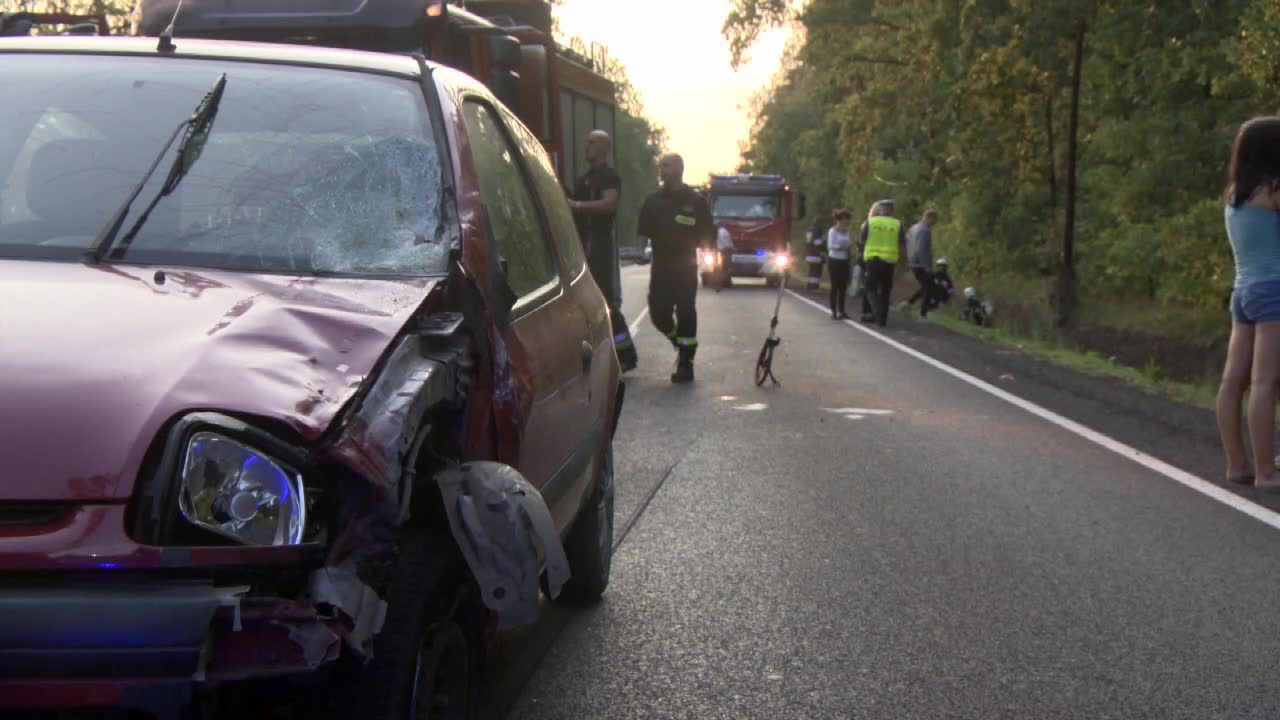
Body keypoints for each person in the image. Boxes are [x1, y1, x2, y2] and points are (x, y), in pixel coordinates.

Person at [1217, 116, 1280, 489]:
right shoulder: (1273, 190)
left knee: (1232, 381)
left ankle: (1237, 465)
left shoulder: (1236, 195)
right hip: (1273, 292)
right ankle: (1266, 473)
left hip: (1243, 293)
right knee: (1264, 383)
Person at [638, 153, 714, 383]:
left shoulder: (696, 201)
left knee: (686, 311)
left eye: (666, 166)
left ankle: (686, 362)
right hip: (660, 267)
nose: (662, 170)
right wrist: (640, 251)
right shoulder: (652, 202)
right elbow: (643, 233)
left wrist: (713, 264)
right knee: (658, 313)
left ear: (679, 169)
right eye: (660, 166)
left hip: (685, 268)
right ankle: (677, 340)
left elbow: (708, 235)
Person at [569, 130, 637, 371]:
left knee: (604, 299)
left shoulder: (609, 176)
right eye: (586, 141)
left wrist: (576, 205)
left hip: (599, 244)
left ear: (604, 148)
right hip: (582, 243)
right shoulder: (583, 179)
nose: (586, 146)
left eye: (592, 142)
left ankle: (626, 353)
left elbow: (609, 205)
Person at [858, 199, 907, 327]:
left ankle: (877, 313)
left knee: (870, 288)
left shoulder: (871, 222)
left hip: (873, 260)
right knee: (885, 290)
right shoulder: (898, 224)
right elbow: (902, 245)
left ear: (880, 210)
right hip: (890, 262)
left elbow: (862, 241)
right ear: (892, 210)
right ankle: (882, 319)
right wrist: (903, 262)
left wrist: (862, 257)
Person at [905, 209, 939, 319]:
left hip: (912, 261)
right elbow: (922, 249)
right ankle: (922, 314)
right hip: (920, 264)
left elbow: (907, 243)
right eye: (934, 220)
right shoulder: (925, 230)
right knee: (929, 288)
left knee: (927, 286)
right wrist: (927, 266)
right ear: (929, 217)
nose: (934, 223)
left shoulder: (913, 228)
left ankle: (908, 303)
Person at [826, 209, 854, 319]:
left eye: (848, 220)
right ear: (840, 220)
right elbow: (831, 246)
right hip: (834, 260)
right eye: (845, 220)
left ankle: (842, 310)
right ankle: (833, 311)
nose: (847, 222)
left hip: (844, 260)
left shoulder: (847, 232)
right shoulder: (832, 231)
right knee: (835, 286)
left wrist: (849, 249)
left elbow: (849, 243)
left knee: (843, 287)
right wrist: (842, 247)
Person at [804, 217, 827, 290]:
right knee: (816, 272)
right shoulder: (817, 230)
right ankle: (814, 286)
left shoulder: (809, 230)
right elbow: (817, 243)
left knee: (811, 271)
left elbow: (808, 242)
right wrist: (824, 249)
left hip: (809, 253)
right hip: (816, 255)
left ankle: (809, 285)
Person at [715, 223, 735, 290]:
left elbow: (717, 242)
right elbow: (730, 243)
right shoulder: (726, 232)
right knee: (727, 268)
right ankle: (727, 282)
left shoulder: (718, 232)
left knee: (722, 268)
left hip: (721, 251)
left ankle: (720, 284)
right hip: (727, 251)